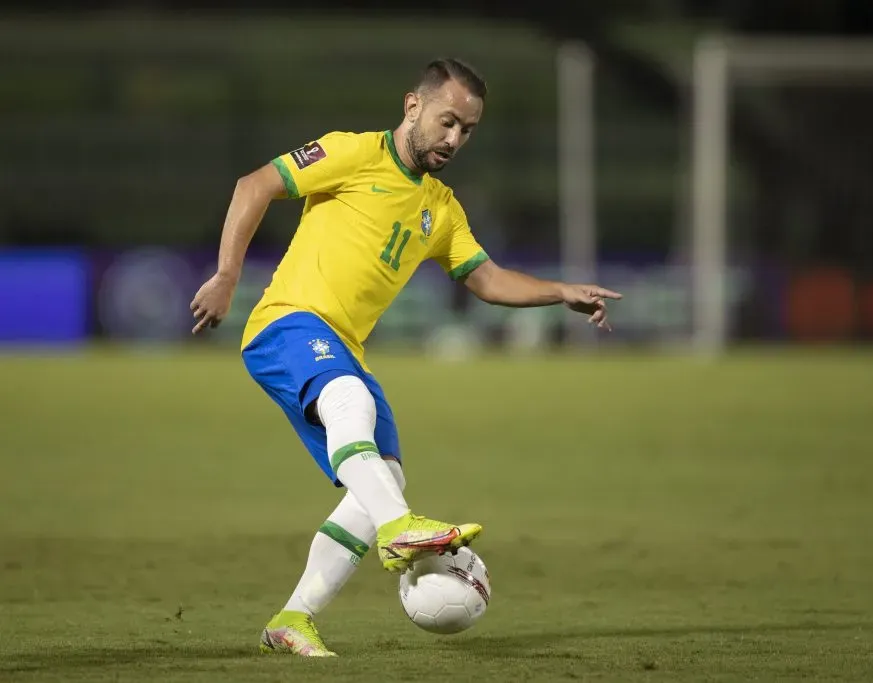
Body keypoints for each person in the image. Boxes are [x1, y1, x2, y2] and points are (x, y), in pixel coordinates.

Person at [189, 58, 622, 657]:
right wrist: (227, 276)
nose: (453, 139)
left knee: (384, 476)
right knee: (351, 399)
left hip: (342, 344)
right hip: (286, 323)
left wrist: (561, 292)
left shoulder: (441, 209)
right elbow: (254, 184)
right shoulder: (352, 152)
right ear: (412, 106)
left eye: (467, 131)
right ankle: (401, 530)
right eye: (447, 122)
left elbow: (487, 278)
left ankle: (294, 618)